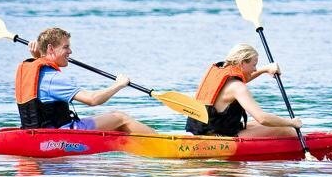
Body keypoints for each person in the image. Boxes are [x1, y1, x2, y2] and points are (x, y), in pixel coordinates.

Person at [16, 27, 155, 134]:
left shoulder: (34, 71)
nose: (70, 51)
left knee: (112, 123)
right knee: (120, 117)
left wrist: (38, 57)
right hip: (62, 133)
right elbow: (92, 100)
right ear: (50, 48)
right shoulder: (53, 78)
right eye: (66, 47)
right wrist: (118, 85)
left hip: (40, 132)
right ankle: (169, 144)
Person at [185, 43, 302, 137]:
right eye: (254, 65)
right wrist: (292, 122)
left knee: (264, 124)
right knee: (285, 129)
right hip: (222, 136)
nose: (255, 69)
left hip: (205, 130)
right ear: (242, 63)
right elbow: (262, 118)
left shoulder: (221, 73)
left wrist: (265, 69)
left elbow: (244, 78)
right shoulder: (238, 87)